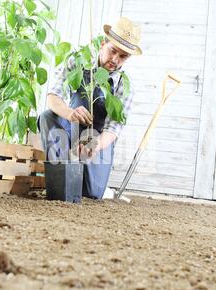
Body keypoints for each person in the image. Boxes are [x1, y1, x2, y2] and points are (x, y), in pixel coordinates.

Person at [38, 17, 142, 199]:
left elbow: (113, 129)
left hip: (98, 139)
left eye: (123, 56)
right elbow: (53, 97)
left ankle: (95, 184)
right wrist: (70, 113)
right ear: (103, 44)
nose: (115, 60)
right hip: (71, 127)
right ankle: (60, 176)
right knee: (47, 116)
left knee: (92, 193)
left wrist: (96, 144)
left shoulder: (124, 86)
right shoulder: (78, 62)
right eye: (113, 51)